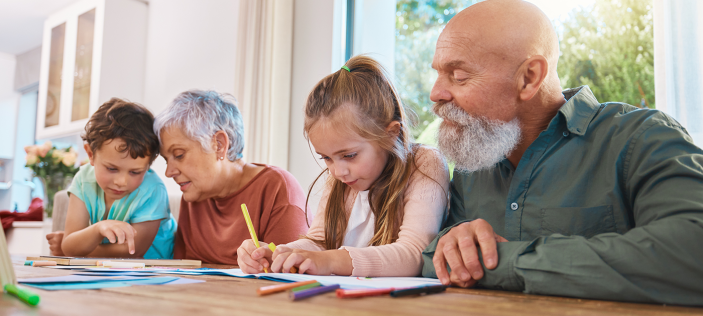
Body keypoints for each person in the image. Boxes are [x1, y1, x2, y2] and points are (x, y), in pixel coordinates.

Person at [421, 0, 703, 306]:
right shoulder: (473, 164)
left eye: (459, 75)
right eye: (437, 73)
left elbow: (692, 252)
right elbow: (434, 258)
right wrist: (453, 248)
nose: (436, 94)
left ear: (529, 77)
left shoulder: (642, 137)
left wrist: (501, 262)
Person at [237, 56, 450, 277]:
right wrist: (281, 253)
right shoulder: (342, 179)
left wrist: (328, 261)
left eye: (349, 155)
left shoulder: (424, 164)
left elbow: (414, 254)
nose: (337, 171)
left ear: (390, 135)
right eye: (326, 158)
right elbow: (319, 242)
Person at [154, 90, 309, 264]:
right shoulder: (193, 197)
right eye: (167, 160)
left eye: (179, 155)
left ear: (219, 145)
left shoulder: (277, 189)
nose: (169, 172)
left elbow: (286, 277)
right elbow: (182, 273)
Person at [52, 98, 176, 259]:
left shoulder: (153, 189)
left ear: (148, 166)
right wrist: (97, 229)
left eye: (135, 172)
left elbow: (134, 251)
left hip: (156, 271)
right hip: (110, 269)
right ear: (90, 154)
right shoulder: (83, 180)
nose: (121, 182)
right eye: (111, 168)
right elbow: (69, 246)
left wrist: (81, 249)